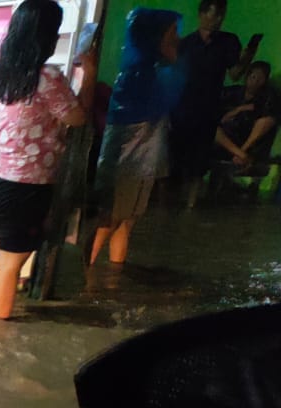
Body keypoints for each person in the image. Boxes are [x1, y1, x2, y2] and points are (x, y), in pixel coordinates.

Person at [0, 0, 95, 320]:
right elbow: (77, 118)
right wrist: (88, 75)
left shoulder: (2, 72)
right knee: (9, 264)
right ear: (46, 36)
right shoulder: (47, 77)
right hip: (27, 184)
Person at [90, 8, 186, 266]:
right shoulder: (143, 74)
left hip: (141, 162)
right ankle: (87, 278)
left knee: (124, 221)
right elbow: (166, 101)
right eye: (172, 33)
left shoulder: (146, 71)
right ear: (154, 37)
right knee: (109, 220)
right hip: (130, 163)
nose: (178, 38)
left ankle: (108, 278)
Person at [168, 0, 258, 207]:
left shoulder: (228, 42)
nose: (217, 20)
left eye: (220, 15)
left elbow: (235, 74)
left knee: (200, 158)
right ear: (201, 14)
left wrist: (248, 55)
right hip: (183, 106)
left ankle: (190, 204)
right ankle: (172, 203)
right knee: (178, 154)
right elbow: (174, 77)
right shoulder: (187, 44)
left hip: (208, 106)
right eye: (213, 14)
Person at [214, 60, 278, 175]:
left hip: (246, 141)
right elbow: (220, 118)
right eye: (253, 77)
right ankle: (241, 155)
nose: (255, 82)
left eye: (260, 78)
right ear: (247, 76)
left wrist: (244, 148)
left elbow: (267, 121)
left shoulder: (267, 98)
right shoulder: (233, 92)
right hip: (225, 138)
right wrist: (239, 109)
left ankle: (242, 154)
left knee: (267, 121)